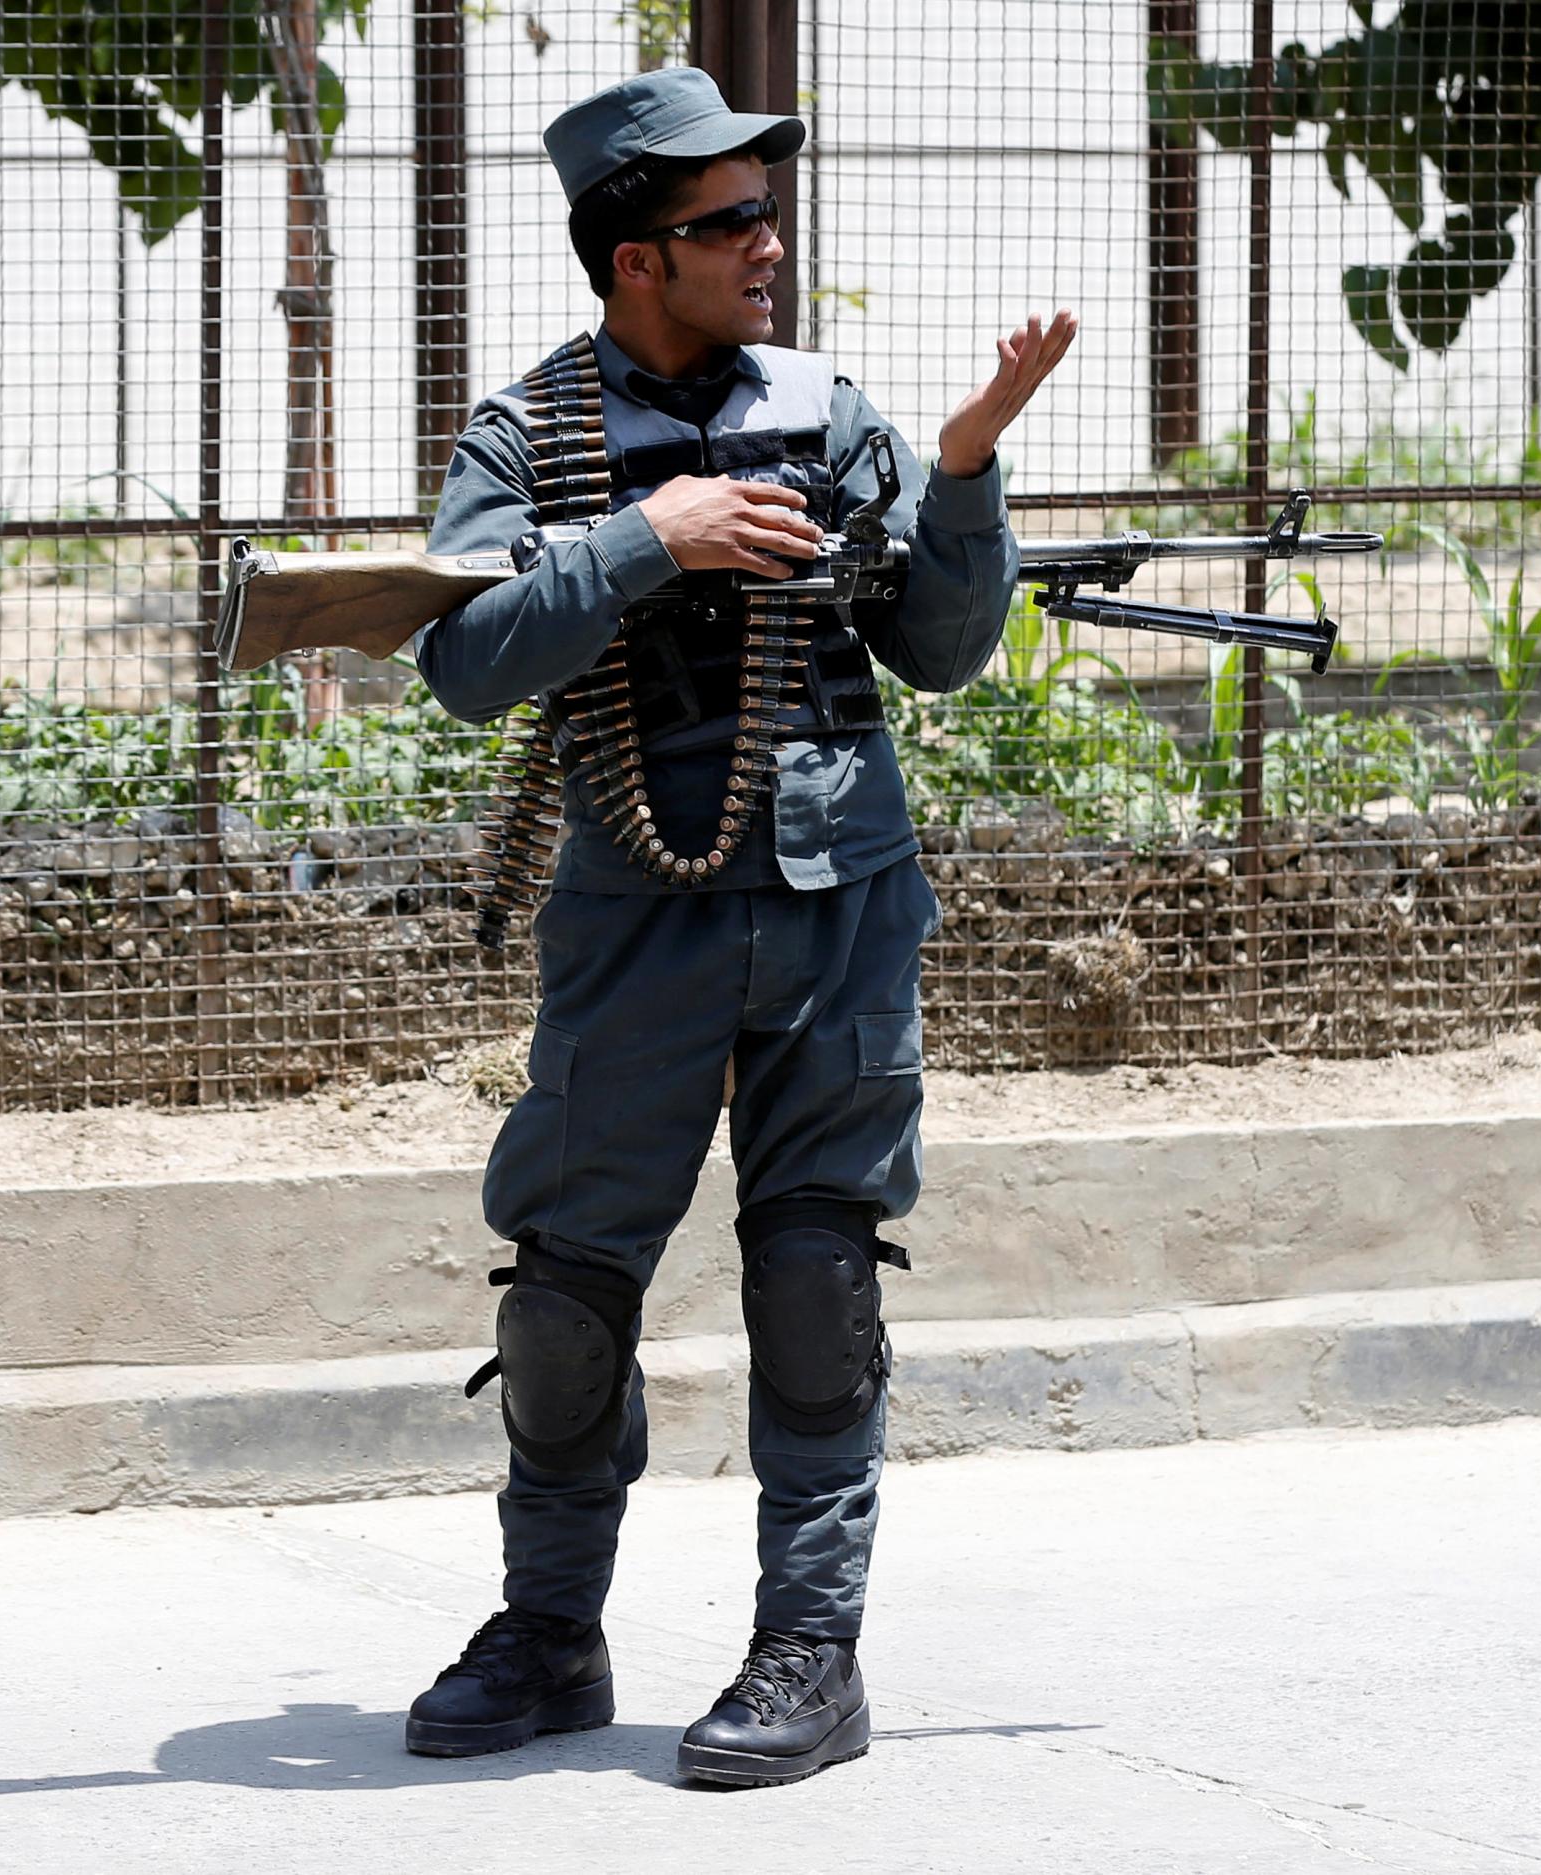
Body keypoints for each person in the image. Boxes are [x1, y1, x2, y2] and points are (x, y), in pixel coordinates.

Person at [402, 65, 1076, 1787]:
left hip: (841, 909)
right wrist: (648, 538)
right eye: (730, 221)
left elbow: (940, 647)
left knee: (814, 1277)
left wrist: (966, 467)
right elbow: (469, 664)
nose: (768, 242)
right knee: (565, 1294)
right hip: (635, 921)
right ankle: (551, 1634)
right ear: (640, 257)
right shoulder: (531, 436)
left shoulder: (824, 407)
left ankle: (810, 1651)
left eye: (768, 209)